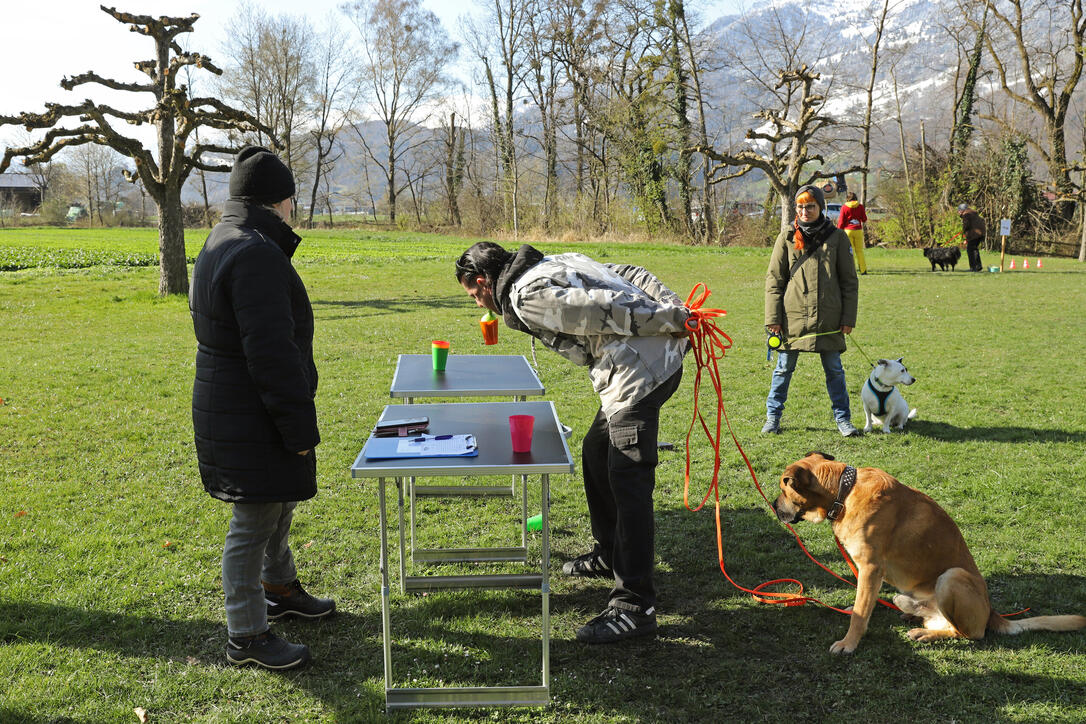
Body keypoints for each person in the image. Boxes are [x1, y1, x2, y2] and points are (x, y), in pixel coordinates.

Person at [454, 242, 690, 644]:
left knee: (628, 482)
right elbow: (630, 271)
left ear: (483, 281)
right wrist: (672, 306)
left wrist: (671, 316)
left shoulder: (526, 296)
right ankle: (609, 550)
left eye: (476, 295)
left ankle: (635, 606)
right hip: (645, 364)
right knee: (596, 451)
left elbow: (605, 309)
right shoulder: (555, 261)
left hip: (638, 373)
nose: (480, 304)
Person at [190, 146, 334, 671]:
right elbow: (271, 354)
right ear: (283, 201)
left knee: (278, 502)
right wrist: (296, 426)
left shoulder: (224, 238)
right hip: (249, 409)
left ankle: (280, 588)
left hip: (235, 404)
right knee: (253, 520)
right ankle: (246, 634)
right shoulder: (255, 253)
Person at [763, 185, 861, 437]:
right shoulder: (786, 236)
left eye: (810, 206)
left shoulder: (837, 237)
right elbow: (775, 280)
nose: (805, 211)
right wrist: (773, 319)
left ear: (820, 207)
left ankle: (843, 420)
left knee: (835, 371)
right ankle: (772, 418)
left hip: (829, 318)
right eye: (800, 206)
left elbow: (849, 281)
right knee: (783, 370)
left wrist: (848, 318)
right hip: (791, 318)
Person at [836, 191, 868, 275]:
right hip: (858, 231)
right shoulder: (860, 206)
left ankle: (851, 270)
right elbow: (864, 219)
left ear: (847, 198)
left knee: (850, 252)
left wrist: (838, 231)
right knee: (859, 251)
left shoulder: (844, 207)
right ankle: (863, 270)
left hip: (848, 231)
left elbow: (841, 222)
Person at [958, 203, 985, 272]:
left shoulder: (966, 214)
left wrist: (963, 230)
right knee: (974, 249)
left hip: (974, 234)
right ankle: (978, 266)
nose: (958, 212)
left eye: (959, 211)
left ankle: (973, 267)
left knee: (970, 250)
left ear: (962, 210)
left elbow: (966, 225)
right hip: (980, 234)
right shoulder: (973, 213)